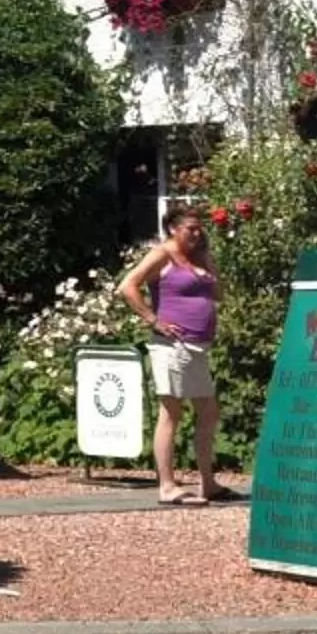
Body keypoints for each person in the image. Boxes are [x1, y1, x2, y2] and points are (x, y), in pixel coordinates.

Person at [119, 207, 221, 504]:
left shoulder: (197, 258)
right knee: (171, 412)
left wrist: (207, 262)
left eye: (199, 228)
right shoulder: (162, 255)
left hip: (198, 347)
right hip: (172, 347)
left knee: (208, 412)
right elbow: (127, 287)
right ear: (174, 229)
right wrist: (154, 320)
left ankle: (208, 482)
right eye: (191, 228)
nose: (197, 233)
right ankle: (167, 485)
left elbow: (220, 294)